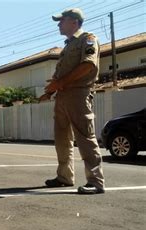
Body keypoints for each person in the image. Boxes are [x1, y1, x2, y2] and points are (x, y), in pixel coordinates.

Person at [39, 8, 105, 194]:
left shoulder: (88, 39)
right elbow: (64, 72)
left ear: (74, 22)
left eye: (62, 21)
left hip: (78, 94)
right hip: (62, 96)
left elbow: (88, 66)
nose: (59, 24)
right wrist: (51, 91)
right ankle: (64, 177)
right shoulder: (68, 45)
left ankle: (96, 182)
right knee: (62, 139)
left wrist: (59, 83)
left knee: (85, 137)